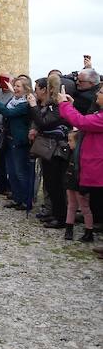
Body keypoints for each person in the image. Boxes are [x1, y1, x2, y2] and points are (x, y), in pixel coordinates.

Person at [58, 85, 103, 243]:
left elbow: (82, 122)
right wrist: (72, 106)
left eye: (101, 92)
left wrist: (64, 104)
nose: (97, 93)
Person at [27, 76, 69, 229]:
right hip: (48, 148)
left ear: (46, 89)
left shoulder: (57, 106)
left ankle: (60, 217)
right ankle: (55, 214)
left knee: (56, 184)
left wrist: (33, 106)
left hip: (55, 148)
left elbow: (44, 123)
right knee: (50, 183)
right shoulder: (48, 105)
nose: (35, 91)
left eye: (37, 88)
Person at [0, 76, 32, 210]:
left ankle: (26, 201)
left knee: (20, 172)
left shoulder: (25, 104)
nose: (16, 88)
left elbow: (8, 112)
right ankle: (17, 198)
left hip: (18, 141)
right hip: (8, 138)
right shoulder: (13, 100)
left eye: (19, 86)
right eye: (15, 86)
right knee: (12, 172)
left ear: (26, 89)